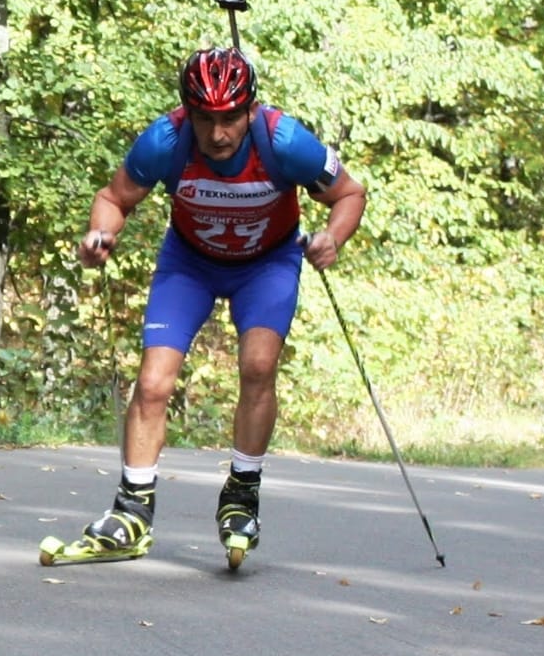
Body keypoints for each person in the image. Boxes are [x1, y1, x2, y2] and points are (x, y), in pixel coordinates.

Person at [69, 46, 365, 564]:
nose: (218, 133)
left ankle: (242, 494)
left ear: (251, 109)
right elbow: (114, 198)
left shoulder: (284, 140)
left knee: (258, 366)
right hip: (190, 263)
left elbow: (349, 194)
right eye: (204, 119)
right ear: (188, 111)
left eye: (229, 118)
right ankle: (132, 510)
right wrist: (100, 235)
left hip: (266, 265)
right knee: (153, 382)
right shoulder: (165, 140)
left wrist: (332, 238)